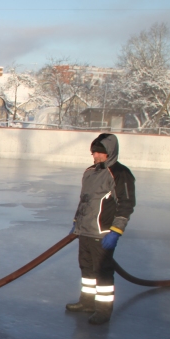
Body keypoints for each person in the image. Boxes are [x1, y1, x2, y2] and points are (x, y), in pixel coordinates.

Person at [66, 132, 136, 325]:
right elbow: (84, 201)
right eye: (93, 152)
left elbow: (126, 204)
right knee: (87, 268)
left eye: (99, 153)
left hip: (103, 233)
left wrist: (116, 231)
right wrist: (76, 222)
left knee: (102, 272)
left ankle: (103, 310)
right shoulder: (90, 172)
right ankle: (87, 302)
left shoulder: (121, 174)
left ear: (110, 153)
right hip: (85, 231)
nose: (95, 156)